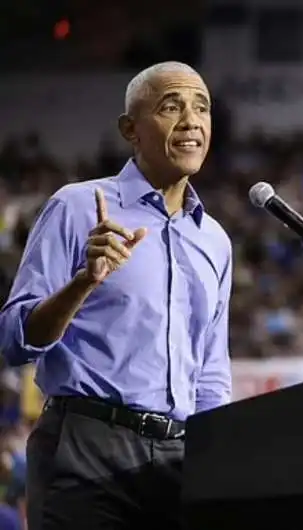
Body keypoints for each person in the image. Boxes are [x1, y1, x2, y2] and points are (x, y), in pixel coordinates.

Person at [0, 61, 233, 529]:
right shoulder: (76, 206)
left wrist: (220, 466)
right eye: (172, 106)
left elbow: (209, 374)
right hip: (86, 450)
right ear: (131, 129)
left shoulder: (215, 240)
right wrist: (83, 281)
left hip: (178, 460)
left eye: (201, 108)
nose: (191, 120)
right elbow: (13, 339)